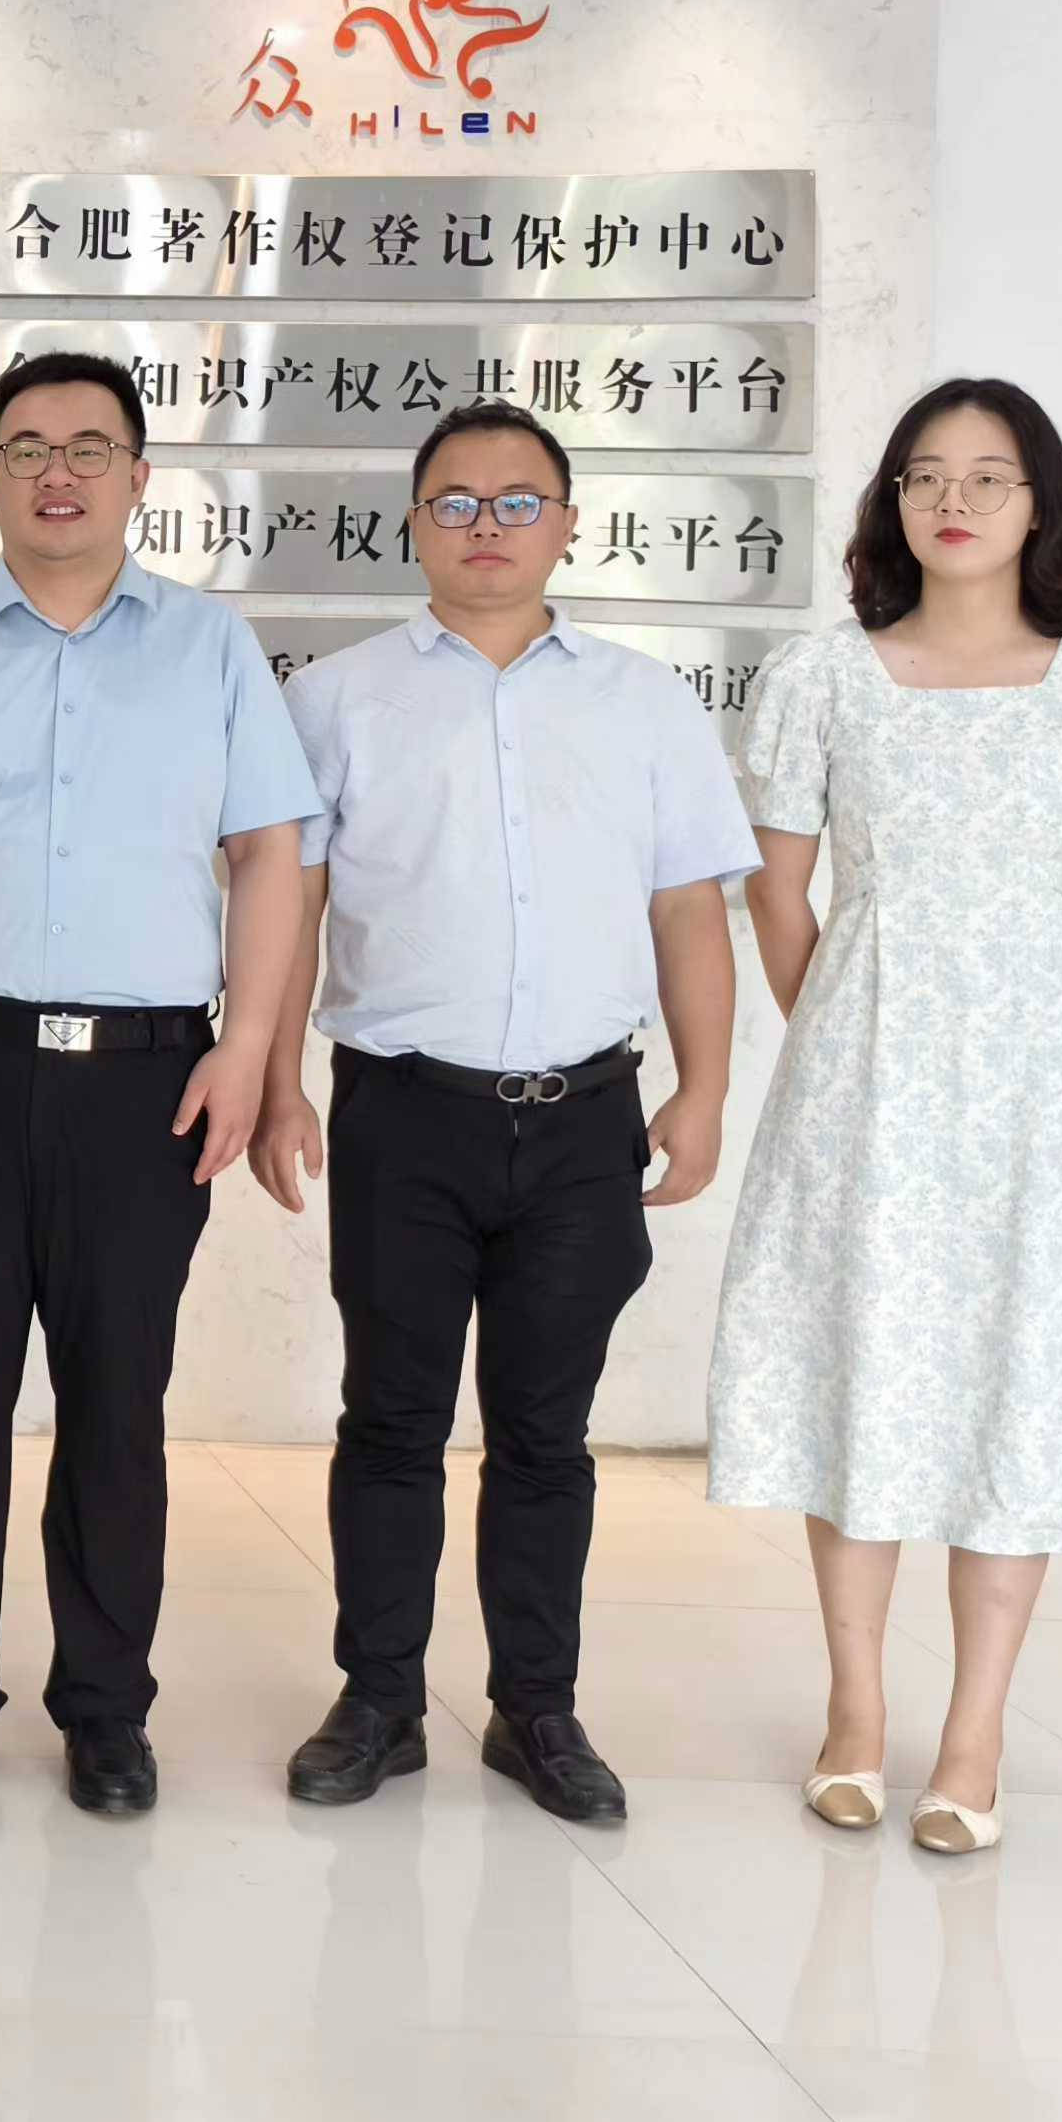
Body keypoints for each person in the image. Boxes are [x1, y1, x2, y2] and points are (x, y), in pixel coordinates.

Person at [0, 350, 315, 1813]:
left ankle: (105, 1708)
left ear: (140, 477)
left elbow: (269, 855)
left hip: (146, 1086)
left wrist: (245, 1048)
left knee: (117, 1404)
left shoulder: (211, 649)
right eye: (27, 446)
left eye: (91, 447)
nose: (59, 472)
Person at [253, 400, 757, 1824]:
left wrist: (705, 1090)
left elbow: (688, 910)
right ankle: (380, 1699)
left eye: (518, 501)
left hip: (588, 1120)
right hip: (405, 1115)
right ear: (412, 525)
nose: (487, 525)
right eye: (456, 502)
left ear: (568, 525)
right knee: (391, 1421)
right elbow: (292, 904)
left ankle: (537, 1708)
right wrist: (278, 1080)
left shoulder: (645, 703)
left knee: (546, 1434)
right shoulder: (337, 699)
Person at [709, 377, 1062, 1857]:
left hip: (1038, 1094)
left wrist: (1010, 1024)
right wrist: (848, 1027)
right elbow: (778, 891)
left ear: (1041, 505)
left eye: (988, 476)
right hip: (859, 1077)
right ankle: (856, 1710)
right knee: (862, 1366)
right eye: (924, 475)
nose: (953, 500)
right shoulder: (823, 677)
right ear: (893, 503)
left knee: (1007, 1380)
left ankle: (977, 1731)